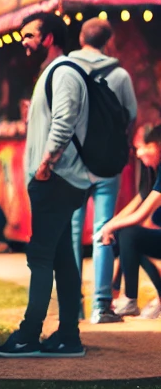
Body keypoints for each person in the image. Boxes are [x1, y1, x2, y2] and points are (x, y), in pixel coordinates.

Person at [0, 12, 92, 358]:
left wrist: (46, 165)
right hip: (55, 179)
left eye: (30, 35)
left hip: (57, 179)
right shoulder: (54, 73)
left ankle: (29, 335)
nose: (24, 41)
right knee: (62, 257)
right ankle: (68, 337)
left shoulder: (63, 72)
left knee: (41, 255)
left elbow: (65, 120)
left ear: (49, 38)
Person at [66, 19, 137, 323]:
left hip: (72, 163)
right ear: (108, 41)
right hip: (107, 163)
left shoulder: (65, 70)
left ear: (81, 37)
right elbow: (130, 115)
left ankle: (73, 305)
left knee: (72, 230)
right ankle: (101, 306)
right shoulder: (119, 74)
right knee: (104, 230)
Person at [101, 126, 161, 317]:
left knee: (129, 234)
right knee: (125, 235)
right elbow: (136, 204)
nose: (139, 153)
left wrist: (110, 226)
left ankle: (128, 298)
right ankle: (117, 294)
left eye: (144, 146)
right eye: (136, 148)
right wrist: (109, 227)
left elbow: (141, 215)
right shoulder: (153, 172)